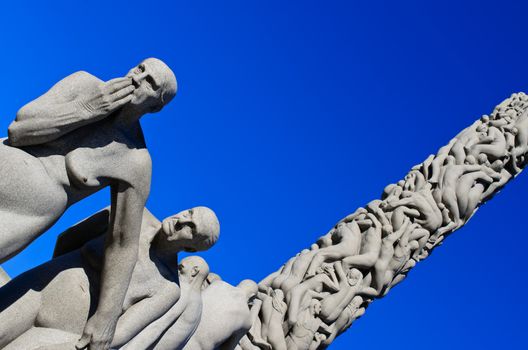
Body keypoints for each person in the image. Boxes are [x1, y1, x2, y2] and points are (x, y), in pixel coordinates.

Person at [0, 58, 177, 349]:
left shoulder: (135, 161)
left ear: (156, 106)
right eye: (140, 68)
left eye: (150, 82)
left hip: (28, 214)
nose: (137, 76)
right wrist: (89, 110)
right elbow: (19, 129)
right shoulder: (84, 83)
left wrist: (106, 317)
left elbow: (122, 241)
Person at [0, 206, 219, 350]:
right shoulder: (134, 213)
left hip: (65, 331)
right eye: (189, 213)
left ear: (190, 249)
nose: (182, 221)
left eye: (192, 228)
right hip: (41, 287)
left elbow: (119, 333)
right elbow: (69, 238)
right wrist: (63, 277)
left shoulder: (167, 288)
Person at [122, 256, 210, 350]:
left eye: (180, 268)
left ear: (194, 271)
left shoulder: (184, 291)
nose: (177, 272)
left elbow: (157, 326)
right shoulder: (198, 305)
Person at [182, 279, 258, 350]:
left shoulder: (219, 284)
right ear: (252, 296)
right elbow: (227, 348)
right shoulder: (247, 319)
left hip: (181, 332)